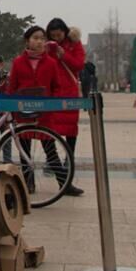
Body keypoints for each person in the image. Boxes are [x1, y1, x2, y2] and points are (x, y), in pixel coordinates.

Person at [7, 26, 77, 196]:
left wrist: (52, 104)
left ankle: (64, 183)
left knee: (50, 150)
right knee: (25, 152)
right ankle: (28, 184)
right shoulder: (18, 62)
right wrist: (11, 108)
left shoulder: (51, 63)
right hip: (23, 113)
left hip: (44, 115)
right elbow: (12, 87)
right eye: (35, 38)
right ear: (27, 41)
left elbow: (57, 87)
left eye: (42, 38)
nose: (39, 42)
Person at [45, 17, 85, 196]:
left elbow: (79, 65)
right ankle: (58, 172)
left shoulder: (74, 44)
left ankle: (67, 175)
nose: (57, 38)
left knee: (70, 138)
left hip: (69, 96)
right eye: (53, 36)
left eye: (59, 34)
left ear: (65, 31)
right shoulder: (46, 46)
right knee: (49, 135)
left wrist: (63, 54)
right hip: (52, 95)